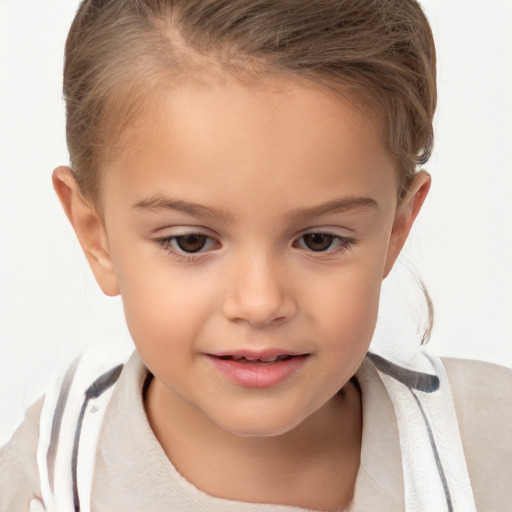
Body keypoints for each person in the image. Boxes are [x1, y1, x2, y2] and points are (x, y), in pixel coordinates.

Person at [1, 1, 511, 511]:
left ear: (396, 229)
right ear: (97, 236)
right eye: (191, 242)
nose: (260, 303)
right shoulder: (36, 487)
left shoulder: (492, 449)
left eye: (319, 240)